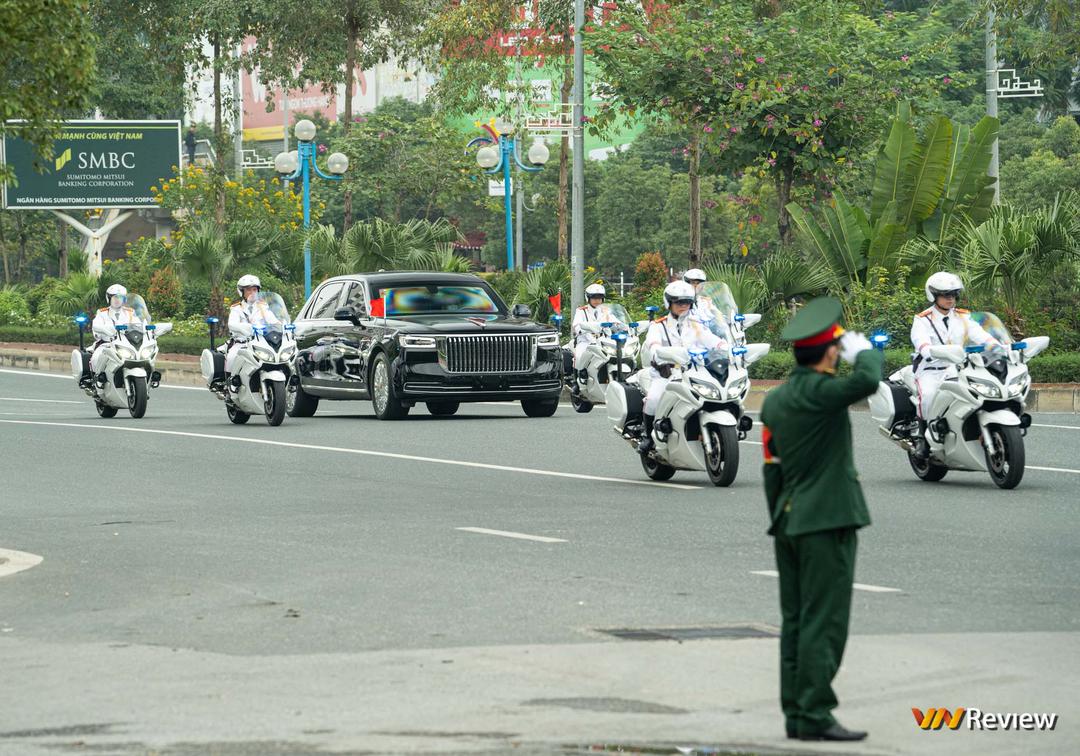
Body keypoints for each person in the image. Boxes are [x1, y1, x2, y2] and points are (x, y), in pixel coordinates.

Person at [759, 297, 881, 742]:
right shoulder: (822, 393)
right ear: (830, 352)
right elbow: (868, 378)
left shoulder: (775, 401)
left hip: (789, 521)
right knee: (823, 621)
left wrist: (780, 517)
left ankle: (795, 712)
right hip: (826, 520)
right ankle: (814, 711)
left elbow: (771, 469)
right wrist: (864, 349)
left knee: (795, 620)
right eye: (836, 347)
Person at [909, 271, 998, 456]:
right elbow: (920, 341)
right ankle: (921, 438)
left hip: (956, 369)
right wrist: (928, 350)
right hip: (930, 371)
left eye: (953, 294)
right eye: (945, 295)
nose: (950, 299)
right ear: (933, 296)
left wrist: (997, 346)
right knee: (928, 396)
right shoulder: (922, 319)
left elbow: (980, 335)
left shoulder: (963, 317)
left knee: (975, 393)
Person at [637, 280, 727, 454]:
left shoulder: (696, 324)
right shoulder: (658, 325)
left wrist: (725, 347)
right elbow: (653, 346)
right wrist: (660, 352)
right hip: (667, 374)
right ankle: (648, 437)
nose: (683, 305)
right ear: (669, 303)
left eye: (687, 302)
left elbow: (711, 340)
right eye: (679, 302)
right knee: (654, 399)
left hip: (694, 372)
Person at [225, 274, 280, 388]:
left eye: (254, 289)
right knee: (231, 356)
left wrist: (283, 325)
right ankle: (230, 386)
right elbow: (232, 324)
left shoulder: (263, 307)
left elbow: (273, 321)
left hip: (260, 343)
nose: (252, 292)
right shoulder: (236, 309)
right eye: (248, 290)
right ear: (242, 292)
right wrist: (243, 327)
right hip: (242, 343)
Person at [86, 284, 143, 387]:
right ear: (109, 298)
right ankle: (98, 380)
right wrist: (102, 329)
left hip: (126, 344)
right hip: (107, 343)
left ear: (124, 299)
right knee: (97, 357)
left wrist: (148, 330)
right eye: (115, 297)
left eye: (120, 297)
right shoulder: (102, 313)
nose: (117, 300)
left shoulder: (130, 313)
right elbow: (96, 326)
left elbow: (139, 325)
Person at [571, 283, 616, 378]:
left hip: (604, 341)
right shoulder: (581, 311)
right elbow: (577, 325)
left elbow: (616, 322)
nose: (597, 301)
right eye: (594, 298)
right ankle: (578, 381)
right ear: (588, 298)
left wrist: (624, 326)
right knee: (580, 355)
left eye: (599, 298)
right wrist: (583, 328)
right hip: (586, 341)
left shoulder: (606, 311)